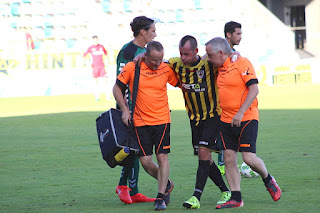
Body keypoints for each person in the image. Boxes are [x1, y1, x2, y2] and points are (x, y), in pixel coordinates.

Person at [205, 37, 282, 209]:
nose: (208, 58)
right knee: (229, 158)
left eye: (210, 55)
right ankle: (236, 198)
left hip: (247, 117)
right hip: (226, 119)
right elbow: (202, 59)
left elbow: (254, 89)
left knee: (248, 158)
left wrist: (240, 112)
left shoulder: (242, 63)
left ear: (220, 53)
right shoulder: (218, 65)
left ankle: (268, 179)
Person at [113, 41, 178, 211]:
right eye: (154, 60)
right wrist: (125, 110)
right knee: (146, 161)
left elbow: (181, 80)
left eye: (161, 59)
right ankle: (167, 184)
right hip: (140, 122)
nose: (158, 64)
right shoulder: (132, 67)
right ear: (145, 56)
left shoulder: (166, 68)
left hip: (163, 120)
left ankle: (160, 196)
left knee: (162, 157)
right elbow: (116, 89)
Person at [167, 35, 231, 209]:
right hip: (193, 119)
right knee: (206, 160)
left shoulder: (209, 64)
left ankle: (196, 197)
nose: (183, 57)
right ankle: (226, 191)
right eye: (181, 53)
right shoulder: (176, 64)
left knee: (203, 153)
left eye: (187, 54)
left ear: (196, 51)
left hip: (212, 116)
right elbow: (157, 61)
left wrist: (236, 53)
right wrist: (141, 56)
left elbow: (227, 57)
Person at [114, 16, 157, 204]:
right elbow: (120, 84)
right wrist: (125, 110)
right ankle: (123, 186)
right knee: (132, 148)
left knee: (138, 149)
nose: (155, 34)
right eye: (153, 31)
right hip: (129, 109)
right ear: (143, 32)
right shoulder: (128, 51)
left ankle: (134, 190)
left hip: (143, 109)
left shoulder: (146, 51)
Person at [217, 21, 243, 175]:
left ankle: (226, 164)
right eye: (238, 34)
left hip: (229, 102)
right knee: (222, 136)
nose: (240, 37)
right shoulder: (219, 52)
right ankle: (222, 165)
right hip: (219, 103)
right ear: (229, 34)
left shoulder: (234, 53)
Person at [83, 35, 109, 102]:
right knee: (96, 82)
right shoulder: (90, 48)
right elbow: (84, 56)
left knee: (105, 81)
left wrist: (106, 61)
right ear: (93, 41)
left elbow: (106, 54)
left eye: (96, 40)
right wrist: (88, 63)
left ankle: (107, 96)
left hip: (102, 66)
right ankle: (97, 97)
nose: (95, 41)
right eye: (94, 40)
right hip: (95, 67)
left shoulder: (101, 47)